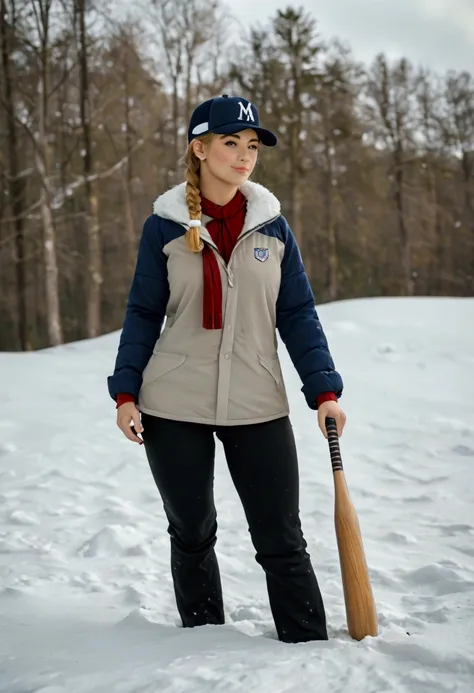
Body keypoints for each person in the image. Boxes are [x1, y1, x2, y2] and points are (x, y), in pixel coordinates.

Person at [107, 94, 346, 644]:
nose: (245, 156)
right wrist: (125, 394)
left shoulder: (273, 228)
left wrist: (324, 389)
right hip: (173, 402)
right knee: (192, 532)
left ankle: (308, 645)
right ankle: (202, 643)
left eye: (253, 146)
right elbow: (143, 313)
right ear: (200, 147)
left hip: (257, 401)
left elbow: (298, 314)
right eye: (232, 143)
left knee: (282, 536)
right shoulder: (164, 227)